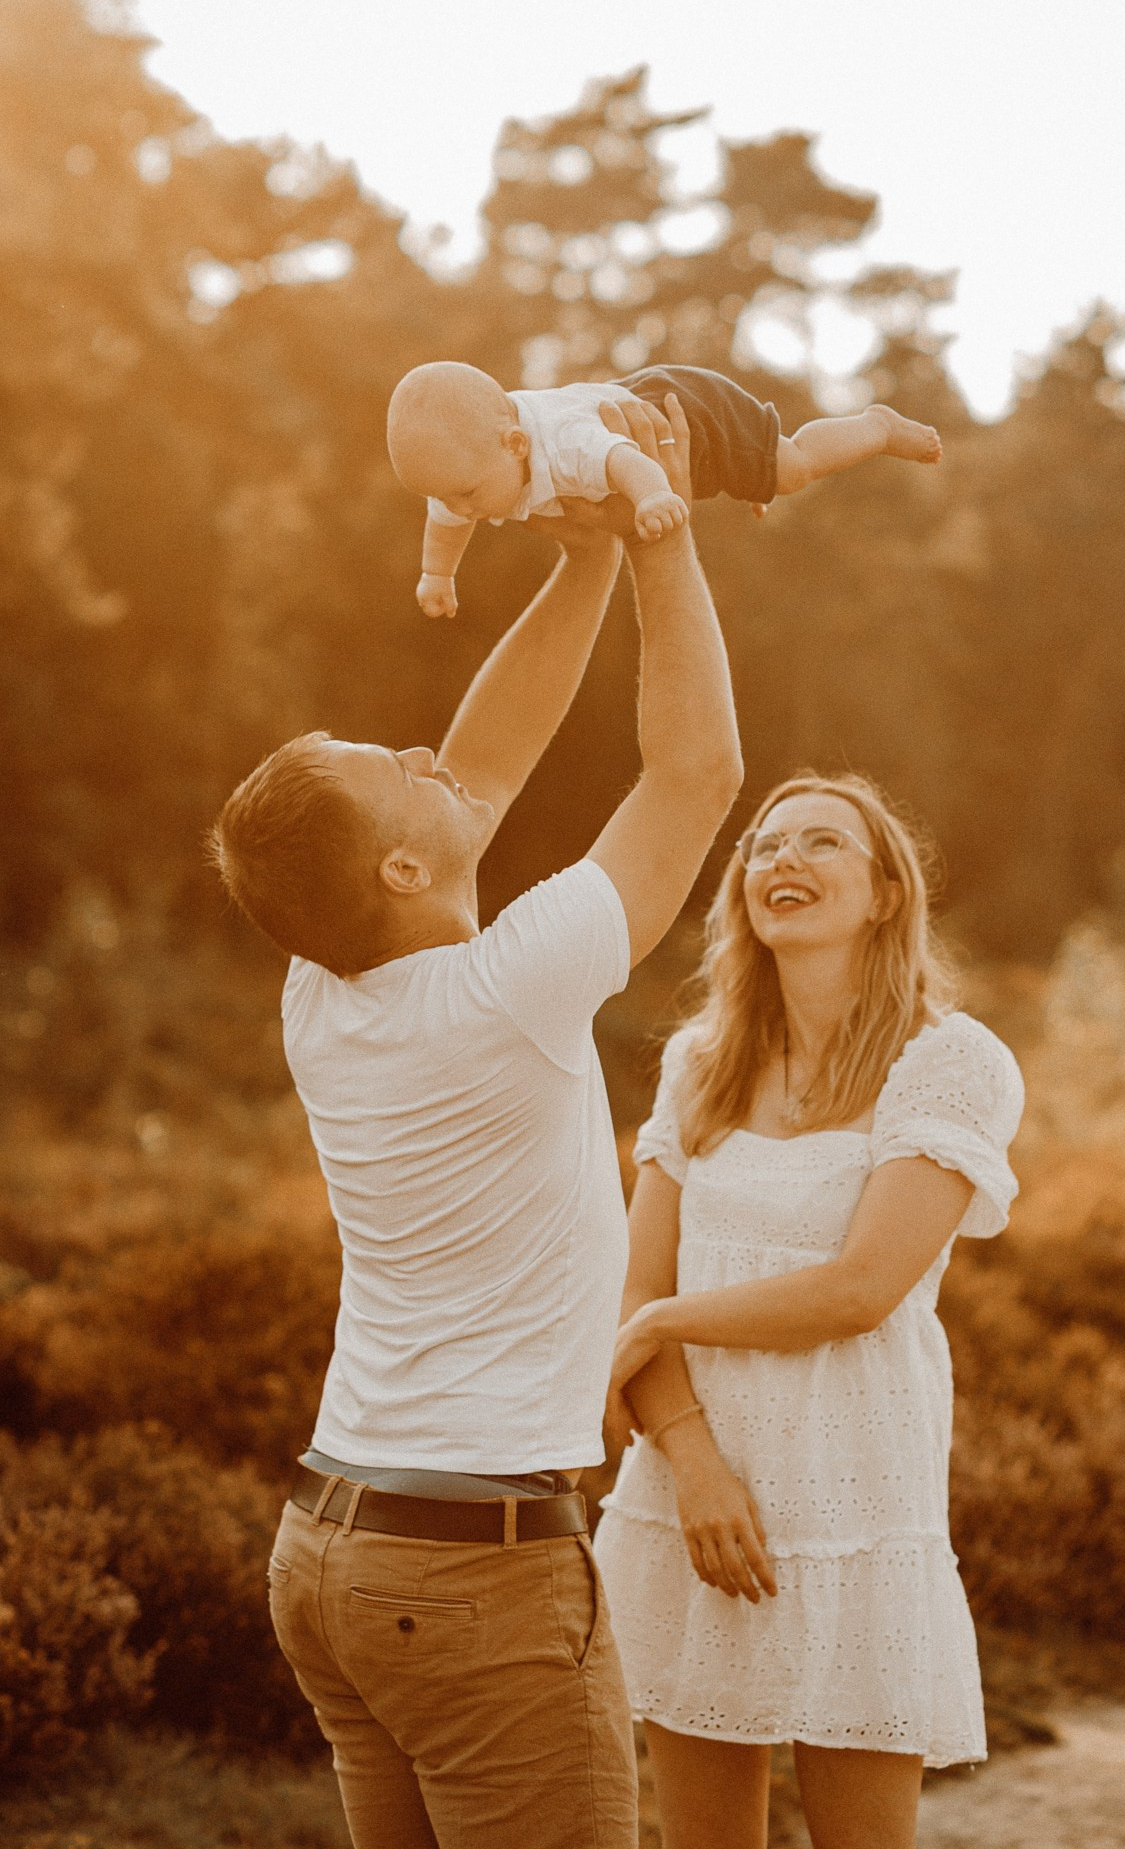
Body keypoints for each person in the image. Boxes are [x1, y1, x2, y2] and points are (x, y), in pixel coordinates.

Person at [209, 397, 743, 1849]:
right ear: (394, 865)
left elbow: (487, 767)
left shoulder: (322, 997)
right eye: (399, 764)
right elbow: (695, 780)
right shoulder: (510, 987)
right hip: (475, 1571)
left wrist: (569, 565)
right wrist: (656, 535)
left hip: (335, 1551)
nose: (429, 752)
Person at [593, 773, 1025, 1849]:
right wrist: (693, 1465)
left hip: (858, 1502)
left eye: (821, 841)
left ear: (885, 893)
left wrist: (660, 1328)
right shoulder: (698, 1063)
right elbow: (635, 1288)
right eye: (763, 845)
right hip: (687, 1497)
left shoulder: (950, 1063)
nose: (782, 858)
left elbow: (860, 1287)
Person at [386, 358, 943, 616]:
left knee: (790, 468)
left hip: (688, 408)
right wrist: (437, 574)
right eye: (444, 496)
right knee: (758, 473)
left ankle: (877, 426)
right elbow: (445, 518)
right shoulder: (470, 467)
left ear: (515, 444)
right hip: (641, 414)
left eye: (466, 494)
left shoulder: (568, 442)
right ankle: (746, 471)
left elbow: (627, 460)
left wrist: (654, 497)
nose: (461, 509)